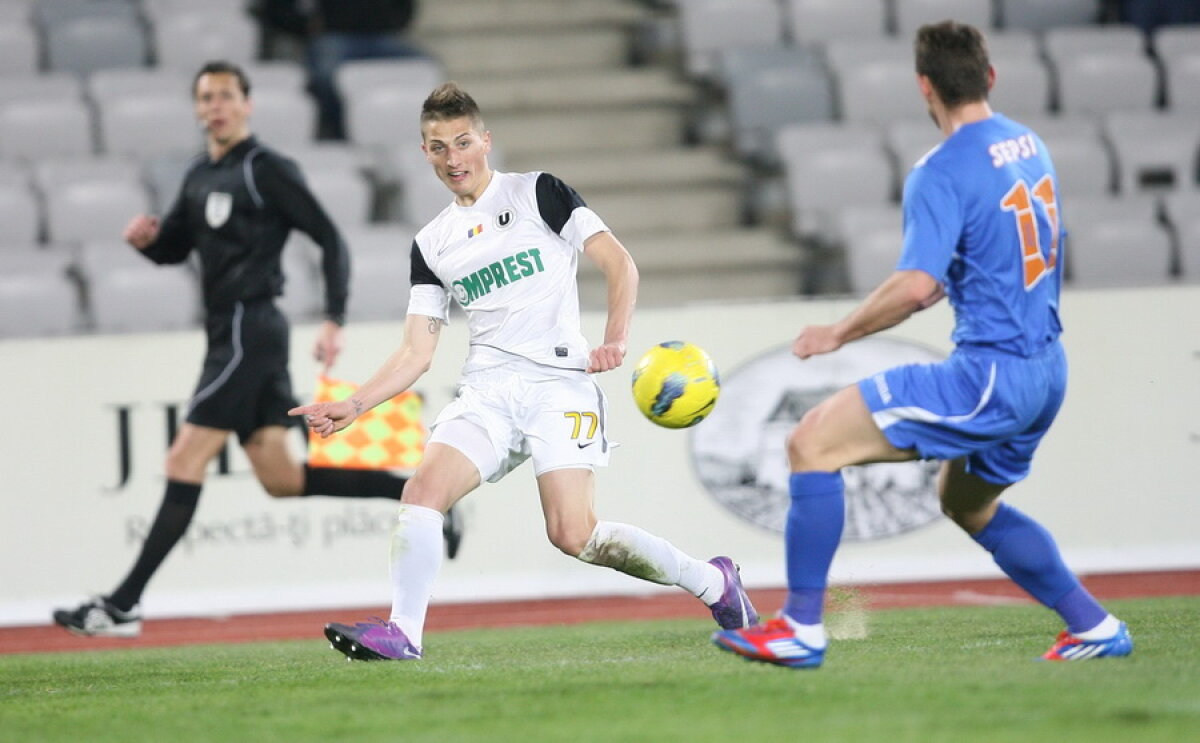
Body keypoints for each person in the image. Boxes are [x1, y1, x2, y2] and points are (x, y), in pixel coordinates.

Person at [712, 22, 1133, 668]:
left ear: (923, 88)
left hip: (989, 373)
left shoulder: (940, 170)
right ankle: (1093, 624)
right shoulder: (1030, 144)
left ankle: (799, 626)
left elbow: (915, 286)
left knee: (810, 442)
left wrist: (838, 332)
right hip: (1047, 368)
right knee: (966, 502)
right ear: (989, 77)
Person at [290, 82, 759, 662]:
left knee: (574, 535)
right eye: (438, 147)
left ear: (485, 141)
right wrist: (354, 405)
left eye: (462, 142)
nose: (453, 158)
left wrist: (615, 340)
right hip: (487, 391)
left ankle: (714, 583)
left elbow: (620, 264)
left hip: (558, 386)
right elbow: (416, 351)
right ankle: (404, 633)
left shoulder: (539, 192)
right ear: (425, 154)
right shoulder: (431, 244)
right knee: (421, 493)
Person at [52, 60, 459, 639]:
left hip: (251, 330)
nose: (215, 105)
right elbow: (173, 248)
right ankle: (421, 493)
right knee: (282, 479)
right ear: (198, 109)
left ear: (246, 104)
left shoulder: (265, 170)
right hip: (228, 333)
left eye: (225, 95)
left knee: (181, 461)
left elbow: (329, 237)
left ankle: (122, 605)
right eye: (205, 97)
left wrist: (334, 317)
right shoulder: (198, 176)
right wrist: (147, 244)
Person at [260, 0, 428, 140]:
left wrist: (391, 22)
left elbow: (405, 8)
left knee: (423, 65)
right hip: (334, 36)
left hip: (382, 36)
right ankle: (338, 129)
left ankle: (409, 129)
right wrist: (305, 26)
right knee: (325, 73)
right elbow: (278, 9)